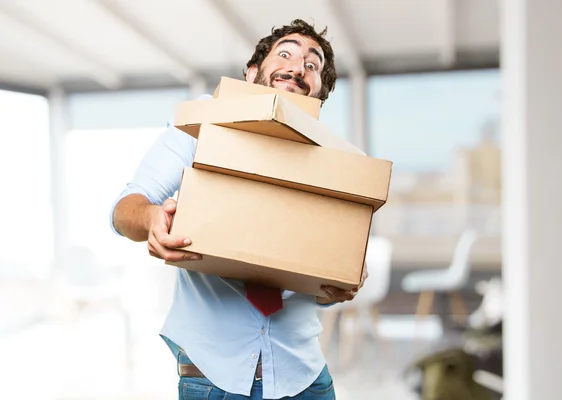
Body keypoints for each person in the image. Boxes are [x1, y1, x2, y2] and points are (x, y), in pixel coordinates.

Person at [110, 19, 368, 400]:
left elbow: (319, 280)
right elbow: (124, 209)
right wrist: (150, 219)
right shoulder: (204, 119)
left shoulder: (335, 163)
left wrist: (337, 283)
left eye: (312, 65)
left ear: (318, 95)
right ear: (252, 74)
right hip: (213, 379)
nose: (298, 67)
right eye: (286, 54)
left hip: (305, 378)